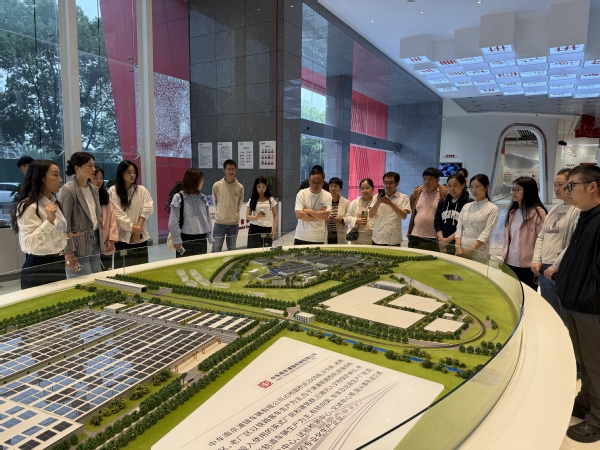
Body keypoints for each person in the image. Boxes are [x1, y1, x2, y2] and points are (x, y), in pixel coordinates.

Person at [555, 165, 600, 444]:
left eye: (572, 185)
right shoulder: (585, 216)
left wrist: (590, 296)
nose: (567, 190)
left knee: (596, 364)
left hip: (591, 307)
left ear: (592, 186)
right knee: (584, 362)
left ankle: (598, 418)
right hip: (576, 303)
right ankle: (585, 401)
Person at [13, 160, 72, 289]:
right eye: (55, 175)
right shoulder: (28, 206)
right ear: (40, 177)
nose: (60, 179)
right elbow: (28, 244)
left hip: (58, 261)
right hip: (38, 266)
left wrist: (66, 235)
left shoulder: (54, 202)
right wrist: (49, 222)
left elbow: (51, 236)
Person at [531, 168, 579, 325]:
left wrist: (556, 265)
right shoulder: (554, 209)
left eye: (561, 185)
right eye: (554, 185)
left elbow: (574, 242)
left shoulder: (578, 210)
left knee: (565, 316)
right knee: (550, 313)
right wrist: (536, 259)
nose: (557, 189)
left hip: (561, 270)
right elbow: (542, 235)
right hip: (544, 268)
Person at [58, 152, 105, 278]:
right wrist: (68, 251)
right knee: (82, 281)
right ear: (77, 168)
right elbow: (63, 223)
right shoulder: (68, 189)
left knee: (97, 278)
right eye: (89, 166)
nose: (93, 169)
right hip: (77, 244)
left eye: (93, 165)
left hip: (95, 240)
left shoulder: (94, 189)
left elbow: (96, 217)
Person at [501, 176, 547, 291]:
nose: (513, 192)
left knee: (527, 296)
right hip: (509, 262)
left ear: (528, 191)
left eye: (517, 190)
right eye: (513, 189)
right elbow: (508, 240)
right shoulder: (512, 212)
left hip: (528, 265)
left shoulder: (538, 213)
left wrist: (538, 261)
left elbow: (543, 240)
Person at [108, 160, 154, 268]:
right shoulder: (113, 191)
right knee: (123, 270)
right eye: (128, 172)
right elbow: (117, 214)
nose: (132, 175)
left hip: (140, 237)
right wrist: (133, 228)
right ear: (121, 173)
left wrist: (137, 230)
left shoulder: (141, 190)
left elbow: (147, 208)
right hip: (122, 238)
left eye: (134, 172)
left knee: (141, 269)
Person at [168, 168, 214, 257]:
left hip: (201, 238)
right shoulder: (179, 197)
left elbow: (207, 218)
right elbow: (173, 221)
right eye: (201, 180)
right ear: (193, 181)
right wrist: (177, 238)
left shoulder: (202, 198)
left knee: (200, 263)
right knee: (184, 263)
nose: (203, 183)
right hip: (185, 238)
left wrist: (209, 235)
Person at [455, 174, 498, 260]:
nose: (474, 190)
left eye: (477, 187)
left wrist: (471, 249)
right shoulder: (466, 206)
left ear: (486, 187)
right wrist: (458, 246)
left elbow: (486, 232)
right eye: (471, 187)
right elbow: (459, 227)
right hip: (461, 249)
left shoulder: (492, 208)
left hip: (479, 250)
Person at [408, 167, 448, 251]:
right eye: (425, 179)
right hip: (415, 235)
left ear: (438, 180)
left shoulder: (444, 194)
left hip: (433, 237)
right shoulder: (417, 192)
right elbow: (413, 208)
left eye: (430, 179)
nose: (427, 181)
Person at [434, 173, 473, 254]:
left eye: (455, 185)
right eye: (449, 186)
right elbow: (437, 222)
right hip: (442, 243)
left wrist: (448, 240)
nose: (451, 189)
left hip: (460, 246)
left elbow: (466, 227)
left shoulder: (470, 203)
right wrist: (441, 240)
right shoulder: (443, 202)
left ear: (463, 185)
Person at [369, 171, 410, 246]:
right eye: (385, 183)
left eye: (391, 183)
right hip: (378, 238)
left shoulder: (403, 197)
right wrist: (378, 202)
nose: (388, 185)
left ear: (397, 183)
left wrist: (390, 203)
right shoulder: (376, 197)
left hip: (393, 239)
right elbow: (371, 215)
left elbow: (403, 216)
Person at [212, 159, 244, 252]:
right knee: (216, 249)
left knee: (232, 249)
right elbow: (215, 202)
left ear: (235, 170)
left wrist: (235, 214)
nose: (231, 171)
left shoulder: (240, 187)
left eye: (233, 169)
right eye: (229, 169)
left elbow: (239, 204)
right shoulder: (217, 185)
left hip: (233, 223)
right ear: (224, 170)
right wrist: (220, 213)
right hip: (220, 223)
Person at [294, 166, 332, 245]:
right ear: (309, 181)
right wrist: (319, 215)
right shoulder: (302, 193)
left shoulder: (327, 195)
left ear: (323, 182)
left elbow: (326, 216)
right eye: (313, 182)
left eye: (318, 182)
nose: (315, 185)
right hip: (301, 235)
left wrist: (308, 211)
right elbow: (299, 215)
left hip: (318, 237)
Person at [91, 165, 118, 269]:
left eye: (101, 178)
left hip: (106, 240)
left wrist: (111, 239)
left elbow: (112, 220)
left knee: (107, 270)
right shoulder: (86, 198)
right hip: (92, 240)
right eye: (95, 178)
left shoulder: (105, 196)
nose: (99, 181)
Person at [246, 175, 278, 249]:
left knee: (266, 249)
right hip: (254, 227)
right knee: (252, 250)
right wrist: (257, 217)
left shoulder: (271, 200)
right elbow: (247, 216)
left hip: (267, 227)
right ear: (256, 187)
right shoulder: (252, 200)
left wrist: (274, 228)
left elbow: (275, 215)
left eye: (263, 187)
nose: (261, 189)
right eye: (259, 187)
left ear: (266, 187)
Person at [345, 178, 376, 245]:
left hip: (373, 237)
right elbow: (347, 217)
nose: (365, 191)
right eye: (362, 188)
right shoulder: (355, 202)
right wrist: (356, 220)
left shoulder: (377, 202)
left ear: (373, 188)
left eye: (367, 188)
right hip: (357, 237)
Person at [326, 177, 350, 245]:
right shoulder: (324, 201)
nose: (333, 188)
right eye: (331, 186)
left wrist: (341, 220)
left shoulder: (346, 202)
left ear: (340, 188)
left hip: (340, 232)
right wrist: (326, 217)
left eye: (336, 186)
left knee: (339, 250)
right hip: (327, 232)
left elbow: (350, 218)